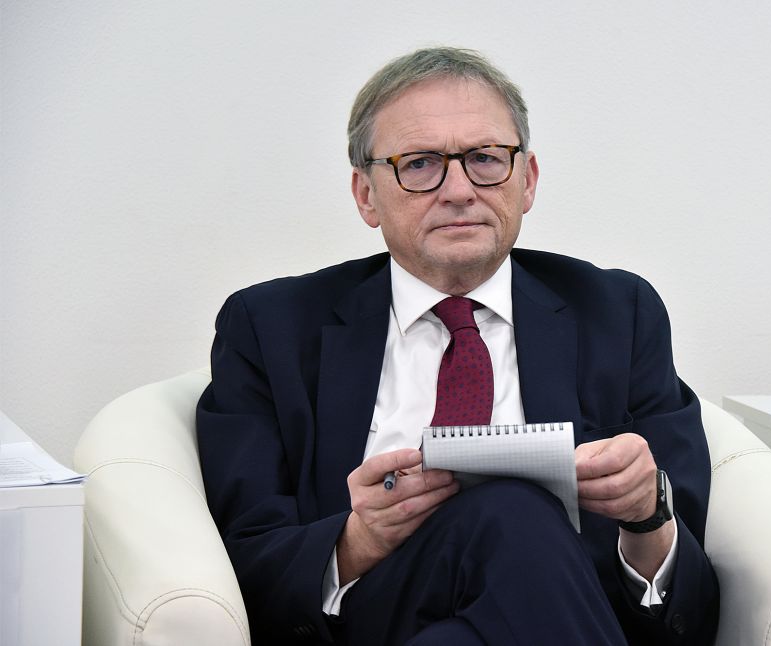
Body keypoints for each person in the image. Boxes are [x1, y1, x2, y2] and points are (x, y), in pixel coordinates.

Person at [197, 47, 719, 645]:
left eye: (484, 158)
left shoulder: (618, 314)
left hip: (561, 610)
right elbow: (246, 559)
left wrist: (647, 514)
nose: (458, 190)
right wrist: (361, 539)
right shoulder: (270, 327)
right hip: (373, 613)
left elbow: (691, 595)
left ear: (527, 180)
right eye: (419, 164)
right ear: (366, 195)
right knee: (512, 510)